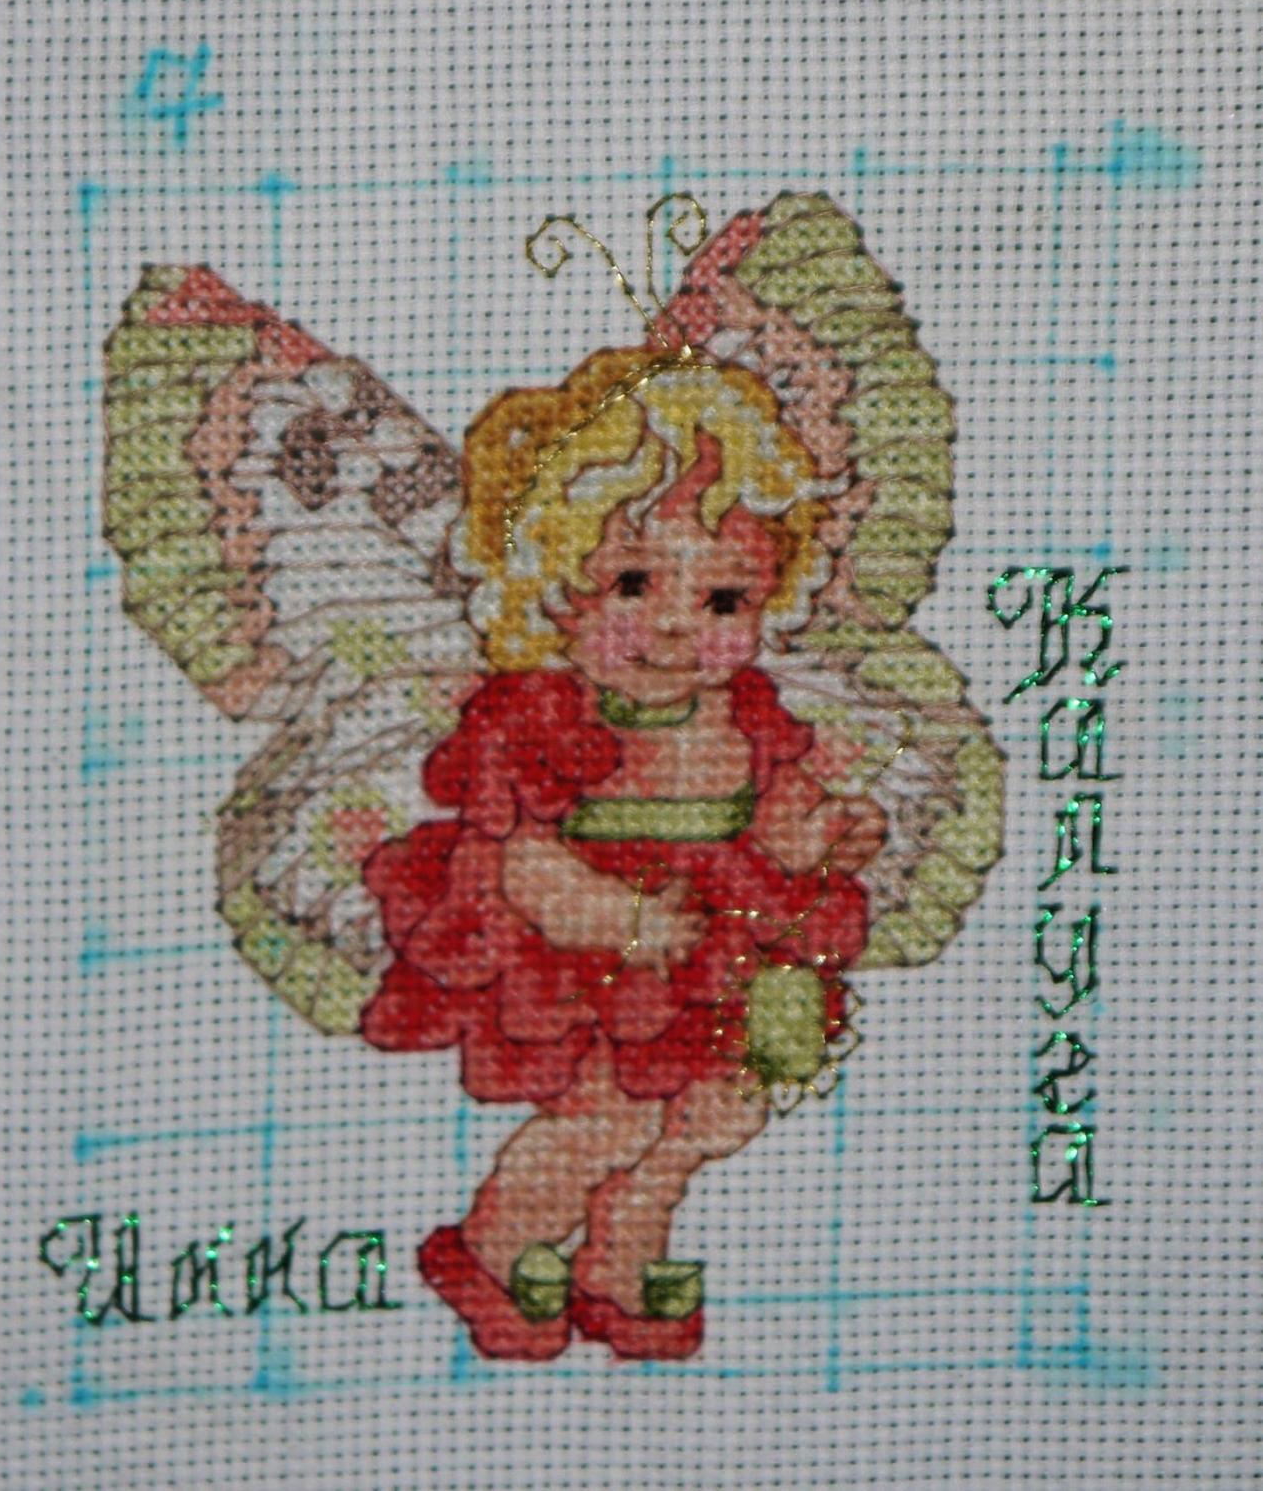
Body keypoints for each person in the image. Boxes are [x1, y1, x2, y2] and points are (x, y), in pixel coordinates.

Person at [361, 350, 886, 1359]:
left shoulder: (747, 713)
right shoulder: (543, 711)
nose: (677, 627)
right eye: (635, 583)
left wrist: (822, 836)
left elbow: (776, 818)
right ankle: (496, 1248)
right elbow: (520, 857)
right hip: (598, 959)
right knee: (607, 1118)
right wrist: (618, 919)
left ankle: (621, 1254)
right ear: (555, 584)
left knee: (713, 1111)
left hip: (717, 952)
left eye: (724, 599)